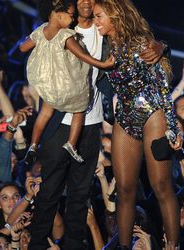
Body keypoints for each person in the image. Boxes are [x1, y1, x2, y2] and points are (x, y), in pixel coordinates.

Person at [27, 0, 165, 249]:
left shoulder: (105, 30)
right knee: (49, 192)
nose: (86, 2)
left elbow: (141, 40)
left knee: (80, 195)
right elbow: (27, 49)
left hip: (91, 122)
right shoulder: (58, 27)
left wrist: (161, 45)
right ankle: (36, 245)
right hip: (59, 121)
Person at [93, 0, 183, 249]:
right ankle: (124, 246)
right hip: (125, 116)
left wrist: (172, 126)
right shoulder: (100, 44)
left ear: (114, 15)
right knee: (124, 189)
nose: (96, 21)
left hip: (153, 113)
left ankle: (172, 245)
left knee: (161, 185)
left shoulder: (140, 42)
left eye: (100, 16)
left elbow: (162, 86)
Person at [20, 0, 114, 164]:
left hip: (49, 84)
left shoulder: (41, 31)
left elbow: (22, 48)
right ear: (57, 14)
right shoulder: (66, 35)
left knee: (44, 113)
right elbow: (82, 55)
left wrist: (31, 38)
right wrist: (103, 64)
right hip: (68, 83)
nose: (72, 20)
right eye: (70, 16)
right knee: (80, 109)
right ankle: (71, 143)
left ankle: (33, 144)